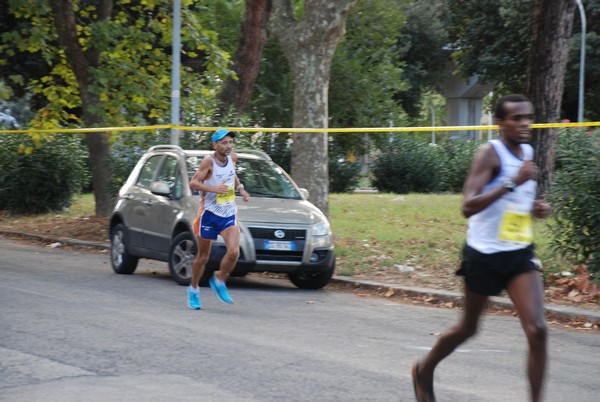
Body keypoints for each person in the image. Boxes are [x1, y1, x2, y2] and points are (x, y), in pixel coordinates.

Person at [411, 94, 552, 402]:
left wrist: (535, 208)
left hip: (518, 254)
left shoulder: (527, 152)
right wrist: (514, 183)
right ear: (500, 123)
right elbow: (467, 206)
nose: (525, 123)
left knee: (538, 330)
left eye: (528, 117)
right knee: (468, 328)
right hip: (483, 255)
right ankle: (424, 370)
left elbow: (513, 204)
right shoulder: (489, 153)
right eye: (517, 118)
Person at [186, 128, 250, 309]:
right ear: (215, 145)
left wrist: (241, 188)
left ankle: (220, 280)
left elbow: (232, 175)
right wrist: (215, 189)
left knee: (234, 252)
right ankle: (193, 289)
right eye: (224, 143)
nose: (228, 146)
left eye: (230, 142)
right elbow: (193, 183)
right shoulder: (209, 161)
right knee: (203, 257)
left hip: (228, 212)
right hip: (209, 214)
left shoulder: (233, 158)